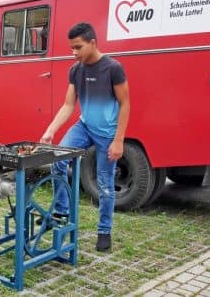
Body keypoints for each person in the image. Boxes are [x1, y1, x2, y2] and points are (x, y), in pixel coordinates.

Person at [40, 22, 130, 252]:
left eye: (78, 47)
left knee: (105, 185)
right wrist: (51, 129)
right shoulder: (76, 70)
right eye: (71, 48)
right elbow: (69, 105)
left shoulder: (113, 68)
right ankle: (61, 211)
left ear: (92, 43)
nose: (74, 53)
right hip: (84, 126)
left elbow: (125, 103)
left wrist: (119, 139)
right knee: (57, 158)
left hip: (107, 135)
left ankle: (104, 231)